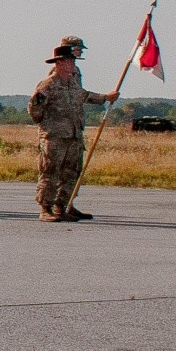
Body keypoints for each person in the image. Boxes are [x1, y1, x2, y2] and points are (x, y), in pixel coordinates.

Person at [29, 45, 116, 221]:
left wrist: (106, 98)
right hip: (54, 136)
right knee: (50, 171)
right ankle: (45, 208)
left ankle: (61, 206)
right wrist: (46, 126)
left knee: (71, 172)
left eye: (73, 61)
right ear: (59, 63)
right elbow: (34, 107)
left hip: (74, 135)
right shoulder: (48, 84)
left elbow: (85, 96)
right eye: (69, 61)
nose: (72, 64)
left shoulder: (73, 84)